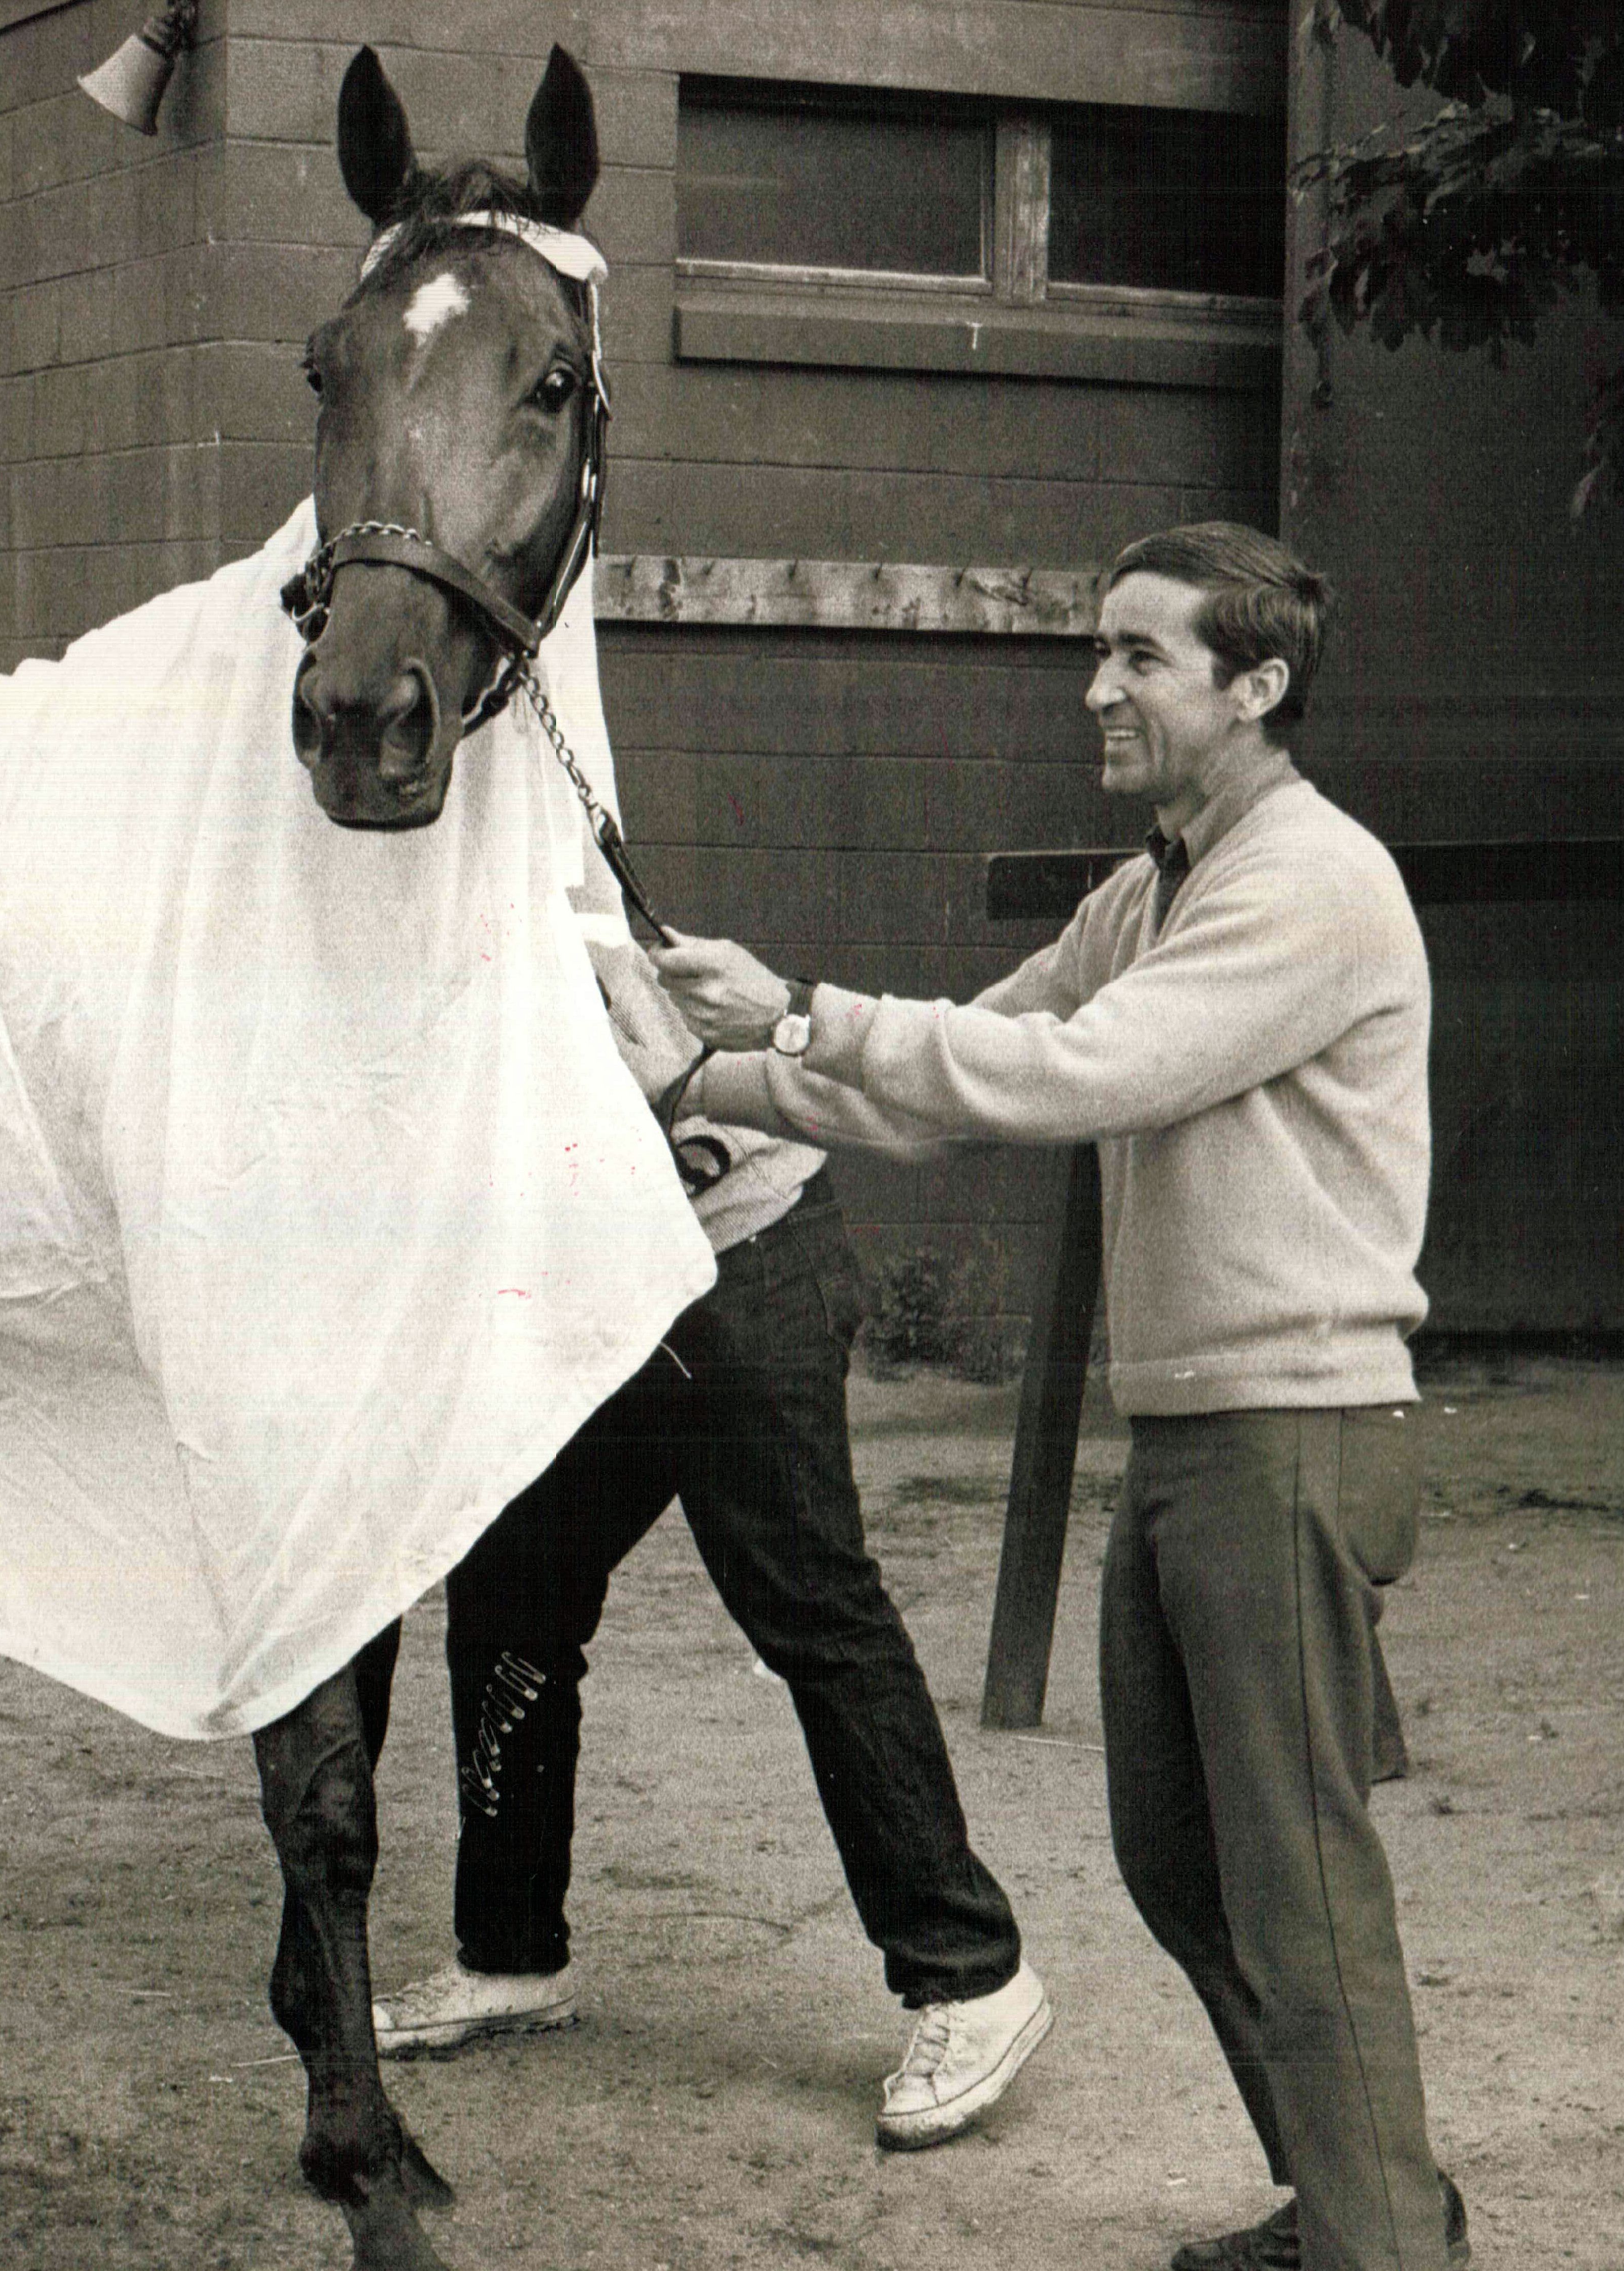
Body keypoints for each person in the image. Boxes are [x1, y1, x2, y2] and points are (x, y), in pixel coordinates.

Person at [649, 523, 1467, 2270]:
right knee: (1180, 1861)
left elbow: (1084, 1074)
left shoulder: (1308, 879)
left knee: (1298, 1890)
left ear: (1254, 690)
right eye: (1098, 651)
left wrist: (804, 1009)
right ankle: (1352, 2208)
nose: (1095, 686)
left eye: (1138, 657)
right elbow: (952, 1090)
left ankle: (1384, 2248)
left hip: (1297, 1435)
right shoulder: (1153, 883)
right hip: (1191, 1441)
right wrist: (695, 1070)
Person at [370, 940, 1052, 2154]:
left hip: (744, 1267)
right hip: (629, 1296)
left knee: (810, 1612)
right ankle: (514, 1950)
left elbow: (635, 1136)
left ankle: (971, 1974)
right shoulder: (395, 975)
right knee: (513, 1587)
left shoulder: (554, 943)